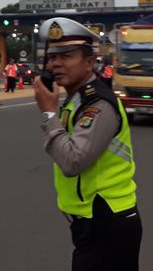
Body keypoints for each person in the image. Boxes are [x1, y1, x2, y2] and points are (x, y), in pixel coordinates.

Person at [33, 17, 141, 271]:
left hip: (108, 222)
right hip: (92, 223)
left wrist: (48, 115)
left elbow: (73, 161)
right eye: (52, 57)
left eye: (66, 56)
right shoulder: (76, 100)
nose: (56, 64)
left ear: (89, 62)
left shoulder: (98, 104)